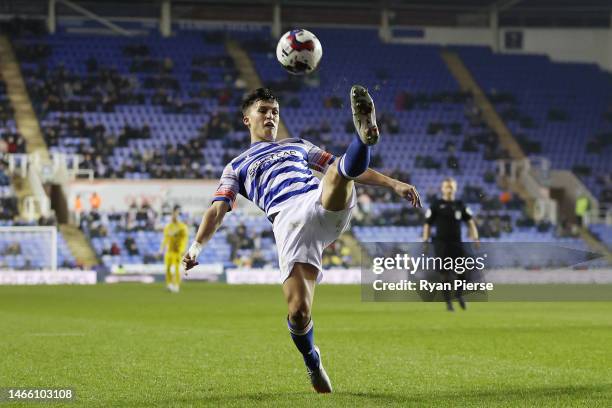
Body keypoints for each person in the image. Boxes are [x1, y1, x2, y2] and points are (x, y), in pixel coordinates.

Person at [182, 87, 421, 393]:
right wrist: (196, 247)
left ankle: (363, 137)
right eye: (264, 110)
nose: (271, 115)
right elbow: (217, 210)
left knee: (338, 171)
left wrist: (394, 184)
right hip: (288, 223)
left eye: (275, 111)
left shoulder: (296, 145)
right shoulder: (236, 166)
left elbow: (340, 166)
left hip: (318, 201)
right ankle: (312, 360)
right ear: (246, 119)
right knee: (298, 311)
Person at [422, 178, 479, 311]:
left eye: (451, 187)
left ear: (455, 188)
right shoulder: (436, 205)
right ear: (442, 189)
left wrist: (475, 237)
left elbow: (470, 222)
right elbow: (427, 224)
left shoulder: (460, 205)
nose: (449, 189)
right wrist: (425, 240)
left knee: (464, 273)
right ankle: (448, 302)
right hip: (441, 244)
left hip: (457, 244)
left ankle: (458, 295)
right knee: (445, 274)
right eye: (447, 187)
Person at [160, 206, 189, 293]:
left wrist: (183, 249)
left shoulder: (182, 227)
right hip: (169, 251)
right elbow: (165, 239)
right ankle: (169, 284)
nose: (173, 217)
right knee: (168, 268)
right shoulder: (168, 227)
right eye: (172, 215)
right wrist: (161, 249)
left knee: (176, 268)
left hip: (177, 251)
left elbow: (185, 239)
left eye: (175, 215)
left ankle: (176, 285)